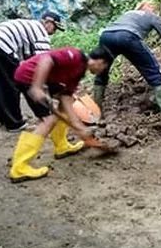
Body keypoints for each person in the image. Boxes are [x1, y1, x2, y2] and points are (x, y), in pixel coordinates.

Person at [8, 46, 113, 183]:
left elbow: (66, 98)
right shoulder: (75, 56)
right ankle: (19, 168)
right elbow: (46, 60)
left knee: (66, 103)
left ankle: (61, 147)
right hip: (29, 76)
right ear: (101, 62)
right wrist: (37, 86)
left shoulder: (79, 72)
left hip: (48, 81)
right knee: (47, 121)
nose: (101, 72)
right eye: (103, 69)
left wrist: (78, 126)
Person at [0, 12, 64, 132]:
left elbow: (26, 60)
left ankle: (4, 118)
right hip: (1, 45)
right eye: (55, 28)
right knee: (13, 85)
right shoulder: (41, 33)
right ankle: (15, 124)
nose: (53, 32)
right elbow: (42, 65)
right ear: (47, 22)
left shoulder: (29, 26)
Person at [93, 1, 161, 116]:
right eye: (151, 6)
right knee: (154, 72)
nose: (153, 8)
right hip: (128, 36)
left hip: (106, 36)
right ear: (142, 7)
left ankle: (96, 112)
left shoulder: (128, 14)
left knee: (101, 73)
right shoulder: (150, 16)